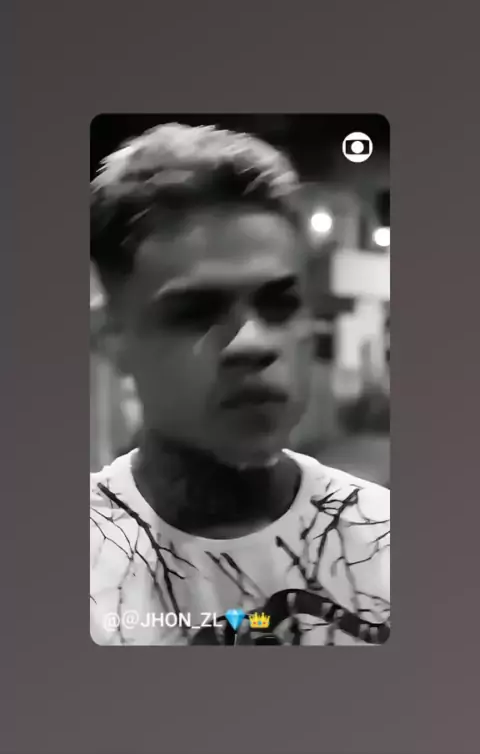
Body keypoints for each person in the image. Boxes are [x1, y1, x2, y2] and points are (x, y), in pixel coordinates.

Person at [90, 122, 390, 646]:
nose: (252, 343)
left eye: (279, 304)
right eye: (195, 312)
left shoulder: (388, 539)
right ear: (114, 341)